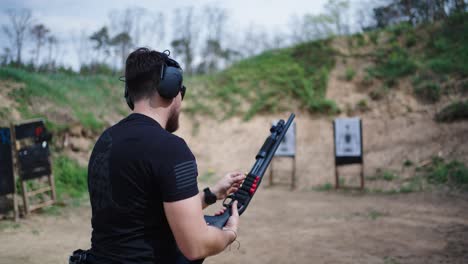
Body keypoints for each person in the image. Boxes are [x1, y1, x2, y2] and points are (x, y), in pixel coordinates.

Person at [85, 48, 245, 263]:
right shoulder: (170, 148)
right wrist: (229, 233)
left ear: (129, 94)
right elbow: (196, 246)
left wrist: (212, 194)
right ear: (170, 89)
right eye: (182, 91)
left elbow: (143, 215)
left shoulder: (106, 140)